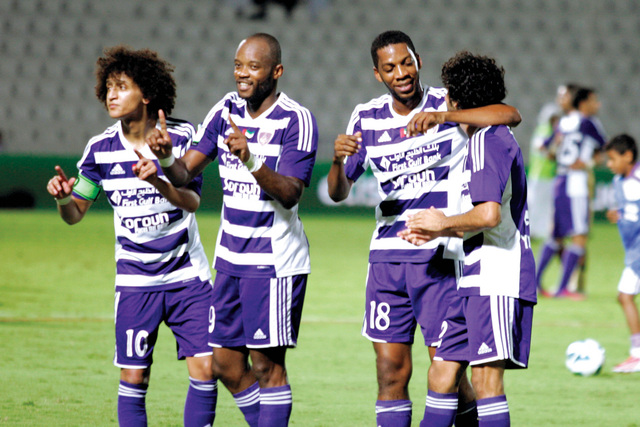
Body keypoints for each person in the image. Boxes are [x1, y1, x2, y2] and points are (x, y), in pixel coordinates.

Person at [327, 31, 521, 427]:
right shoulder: (366, 117)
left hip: (440, 256)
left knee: (446, 372)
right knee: (390, 372)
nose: (401, 73)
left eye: (406, 63)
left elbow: (509, 115)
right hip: (387, 259)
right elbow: (339, 191)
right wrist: (336, 161)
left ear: (418, 61)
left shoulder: (446, 102)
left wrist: (445, 117)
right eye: (390, 67)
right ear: (378, 74)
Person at [146, 33, 317, 426]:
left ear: (276, 71)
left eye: (253, 66)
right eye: (239, 65)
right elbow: (185, 172)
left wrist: (251, 158)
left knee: (267, 367)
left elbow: (290, 193)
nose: (242, 73)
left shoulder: (296, 119)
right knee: (224, 363)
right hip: (229, 260)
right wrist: (167, 156)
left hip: (274, 262)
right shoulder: (225, 109)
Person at [45, 46, 216, 426]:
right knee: (134, 377)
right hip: (136, 282)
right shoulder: (100, 151)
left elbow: (191, 202)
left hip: (187, 277)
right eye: (108, 87)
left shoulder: (181, 137)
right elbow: (75, 214)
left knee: (206, 369)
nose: (111, 94)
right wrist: (63, 199)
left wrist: (158, 179)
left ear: (148, 93)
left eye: (121, 86)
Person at [399, 50, 537, 427]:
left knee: (486, 381)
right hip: (470, 280)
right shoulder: (482, 141)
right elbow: (474, 220)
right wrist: (434, 229)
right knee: (442, 374)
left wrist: (442, 222)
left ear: (455, 101)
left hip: (496, 276)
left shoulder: (488, 141)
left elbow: (489, 215)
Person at [536, 87, 607, 299]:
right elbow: (606, 149)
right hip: (576, 183)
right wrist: (588, 163)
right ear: (583, 103)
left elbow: (543, 147)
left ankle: (535, 283)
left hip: (560, 180)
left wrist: (557, 156)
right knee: (579, 237)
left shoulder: (563, 122)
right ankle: (563, 288)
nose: (597, 105)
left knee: (556, 236)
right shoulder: (588, 122)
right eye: (594, 101)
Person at [604, 134, 640, 373]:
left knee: (625, 296)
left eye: (612, 158)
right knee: (624, 296)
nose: (609, 164)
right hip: (633, 250)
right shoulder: (619, 180)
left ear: (627, 156)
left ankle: (637, 354)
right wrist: (618, 214)